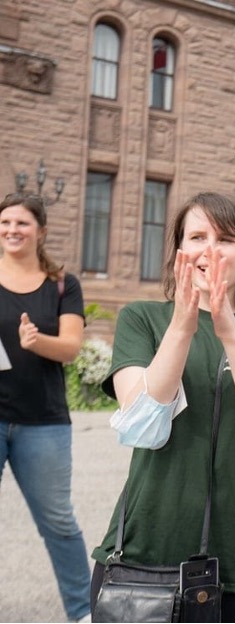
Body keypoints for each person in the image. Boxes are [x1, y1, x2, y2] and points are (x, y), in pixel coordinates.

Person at [90, 192, 235, 622]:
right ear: (179, 252)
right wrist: (183, 325)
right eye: (196, 236)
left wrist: (228, 328)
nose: (209, 249)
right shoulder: (143, 318)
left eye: (226, 238)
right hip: (142, 546)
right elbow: (140, 422)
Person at [0, 192, 91, 623]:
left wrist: (38, 342)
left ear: (41, 231)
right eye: (5, 223)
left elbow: (72, 348)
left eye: (21, 223)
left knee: (58, 523)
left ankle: (84, 612)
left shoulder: (62, 284)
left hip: (44, 422)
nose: (12, 230)